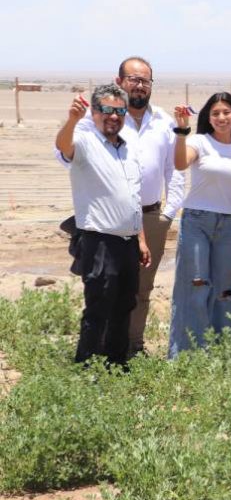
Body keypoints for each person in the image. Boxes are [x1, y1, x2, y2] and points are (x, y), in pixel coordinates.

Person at [61, 57, 185, 357]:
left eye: (145, 80)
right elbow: (65, 150)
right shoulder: (94, 129)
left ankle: (129, 350)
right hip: (101, 230)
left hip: (144, 223)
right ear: (120, 82)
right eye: (133, 79)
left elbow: (168, 174)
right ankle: (94, 360)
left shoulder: (153, 129)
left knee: (134, 295)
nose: (139, 85)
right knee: (101, 297)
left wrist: (165, 216)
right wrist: (72, 120)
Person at [55, 84, 150, 365]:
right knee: (99, 307)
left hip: (128, 242)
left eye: (120, 111)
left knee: (124, 306)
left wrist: (141, 239)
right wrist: (72, 120)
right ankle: (87, 369)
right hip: (99, 242)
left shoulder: (128, 149)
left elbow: (133, 199)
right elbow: (63, 146)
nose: (114, 116)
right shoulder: (84, 141)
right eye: (107, 110)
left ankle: (116, 366)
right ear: (95, 112)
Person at [167, 93, 231, 357]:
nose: (221, 118)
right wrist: (180, 131)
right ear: (208, 117)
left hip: (230, 224)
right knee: (195, 286)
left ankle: (221, 353)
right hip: (197, 221)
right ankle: (186, 357)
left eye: (227, 112)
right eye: (215, 113)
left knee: (226, 290)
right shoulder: (199, 141)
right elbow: (180, 163)